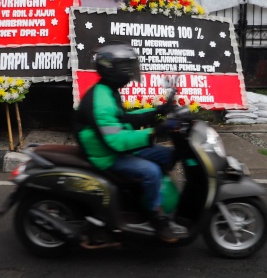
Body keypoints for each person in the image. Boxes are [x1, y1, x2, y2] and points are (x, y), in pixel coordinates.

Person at [72, 42, 187, 243]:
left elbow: (124, 119)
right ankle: (156, 216)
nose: (131, 72)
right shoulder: (101, 101)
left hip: (114, 146)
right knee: (150, 171)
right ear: (113, 70)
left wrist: (158, 111)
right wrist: (154, 132)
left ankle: (140, 196)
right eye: (127, 67)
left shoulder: (108, 91)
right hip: (105, 155)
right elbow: (115, 141)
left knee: (166, 155)